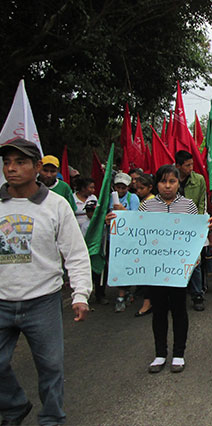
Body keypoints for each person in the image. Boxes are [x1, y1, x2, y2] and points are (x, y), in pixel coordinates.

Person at [0, 139, 91, 425]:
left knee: (50, 367)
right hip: (2, 300)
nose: (11, 169)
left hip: (43, 301)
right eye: (7, 162)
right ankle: (13, 405)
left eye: (20, 162)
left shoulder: (56, 205)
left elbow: (75, 252)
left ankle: (52, 418)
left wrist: (81, 294)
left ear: (38, 167)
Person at [106, 165, 212, 374]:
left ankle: (178, 354)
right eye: (163, 181)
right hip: (154, 270)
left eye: (172, 181)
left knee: (179, 310)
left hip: (178, 270)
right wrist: (115, 222)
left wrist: (209, 224)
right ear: (156, 184)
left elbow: (196, 232)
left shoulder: (188, 206)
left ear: (178, 184)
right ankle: (160, 353)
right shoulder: (147, 207)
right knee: (159, 312)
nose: (167, 186)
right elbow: (135, 233)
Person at [175, 150, 207, 311]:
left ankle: (197, 295)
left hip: (193, 227)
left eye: (192, 164)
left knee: (195, 261)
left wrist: (198, 223)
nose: (191, 168)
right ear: (178, 166)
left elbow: (202, 203)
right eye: (187, 165)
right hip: (173, 229)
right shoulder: (171, 179)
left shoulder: (199, 180)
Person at [109, 172, 140, 312]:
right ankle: (123, 292)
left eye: (123, 187)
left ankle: (123, 293)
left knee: (127, 266)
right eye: (118, 187)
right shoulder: (110, 198)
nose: (120, 191)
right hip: (114, 238)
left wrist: (123, 211)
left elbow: (137, 217)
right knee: (117, 266)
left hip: (129, 239)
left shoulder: (133, 198)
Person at [134, 173, 155, 317]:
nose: (138, 191)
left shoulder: (151, 202)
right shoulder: (144, 201)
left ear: (150, 187)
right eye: (137, 189)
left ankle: (148, 302)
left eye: (141, 188)